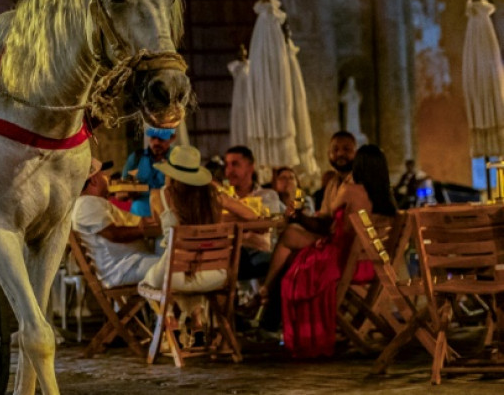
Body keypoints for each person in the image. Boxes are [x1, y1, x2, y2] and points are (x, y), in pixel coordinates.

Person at [259, 144, 397, 358]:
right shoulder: (385, 197)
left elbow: (331, 216)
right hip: (371, 264)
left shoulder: (350, 190)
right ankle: (267, 302)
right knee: (295, 250)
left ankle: (269, 305)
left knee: (295, 265)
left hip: (345, 262)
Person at [138, 145, 258, 346]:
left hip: (175, 275)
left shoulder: (159, 196)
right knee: (190, 279)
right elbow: (251, 215)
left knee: (149, 282)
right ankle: (197, 320)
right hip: (216, 276)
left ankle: (171, 320)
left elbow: (154, 224)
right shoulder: (214, 195)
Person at [71, 158, 162, 288]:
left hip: (130, 263)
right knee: (173, 269)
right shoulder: (85, 203)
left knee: (173, 264)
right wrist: (143, 230)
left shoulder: (93, 203)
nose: (107, 177)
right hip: (123, 269)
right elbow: (114, 234)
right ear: (94, 180)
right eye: (102, 174)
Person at [223, 145, 284, 279]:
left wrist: (232, 220)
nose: (229, 170)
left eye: (235, 164)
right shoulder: (222, 197)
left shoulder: (267, 195)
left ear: (251, 167)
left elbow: (268, 225)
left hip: (258, 253)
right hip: (227, 255)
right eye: (227, 165)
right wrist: (252, 221)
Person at [120, 126, 177, 218]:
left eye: (161, 139)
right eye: (153, 138)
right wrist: (129, 191)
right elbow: (122, 189)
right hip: (140, 215)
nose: (156, 142)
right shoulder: (136, 158)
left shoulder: (178, 158)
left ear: (172, 138)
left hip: (169, 213)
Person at [317, 131, 357, 215]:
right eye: (335, 150)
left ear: (356, 153)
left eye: (346, 149)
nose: (340, 154)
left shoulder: (362, 181)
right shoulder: (331, 184)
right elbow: (325, 218)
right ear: (329, 154)